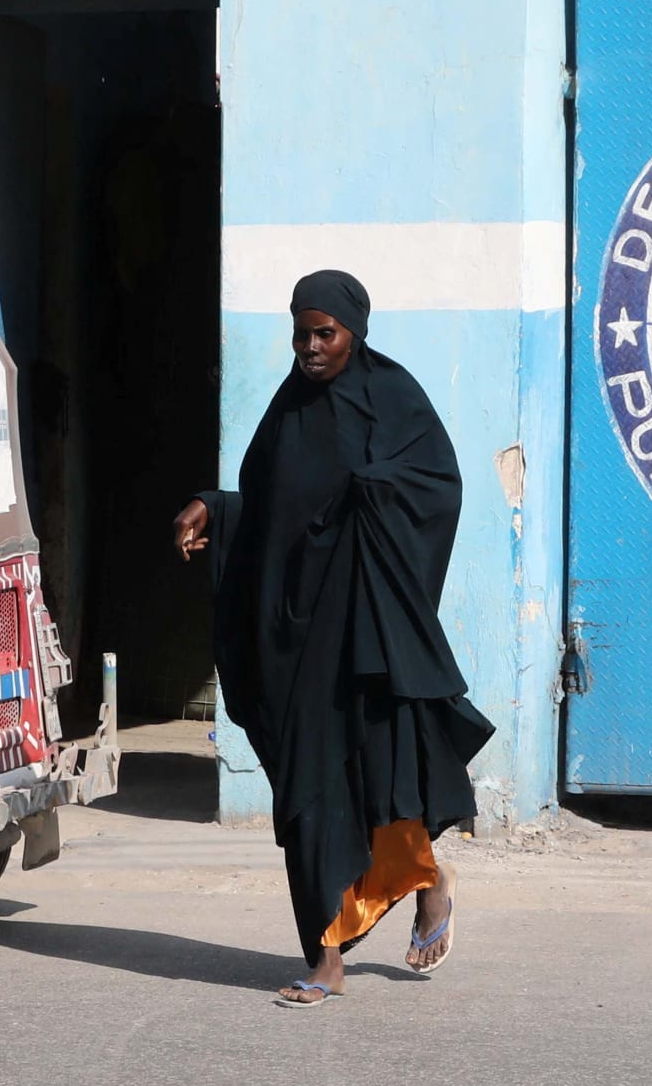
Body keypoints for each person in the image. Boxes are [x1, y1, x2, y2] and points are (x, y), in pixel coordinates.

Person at [171, 270, 493, 1008]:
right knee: (307, 792)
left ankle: (347, 942)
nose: (312, 348)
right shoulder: (288, 411)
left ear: (356, 331)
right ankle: (372, 915)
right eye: (302, 334)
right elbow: (276, 507)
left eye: (327, 333)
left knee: (364, 776)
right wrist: (215, 508)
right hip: (294, 632)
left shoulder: (395, 401)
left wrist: (369, 499)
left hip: (362, 629)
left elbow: (435, 487)